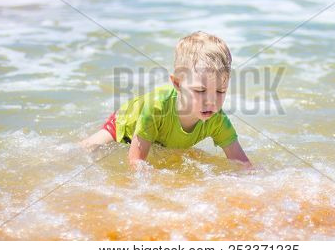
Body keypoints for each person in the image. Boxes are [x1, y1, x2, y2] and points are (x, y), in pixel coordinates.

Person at [80, 31, 252, 169]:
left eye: (220, 91)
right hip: (122, 127)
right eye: (200, 90)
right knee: (88, 149)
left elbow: (242, 164)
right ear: (177, 83)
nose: (211, 101)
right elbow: (136, 162)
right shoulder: (156, 108)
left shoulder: (218, 120)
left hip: (160, 140)